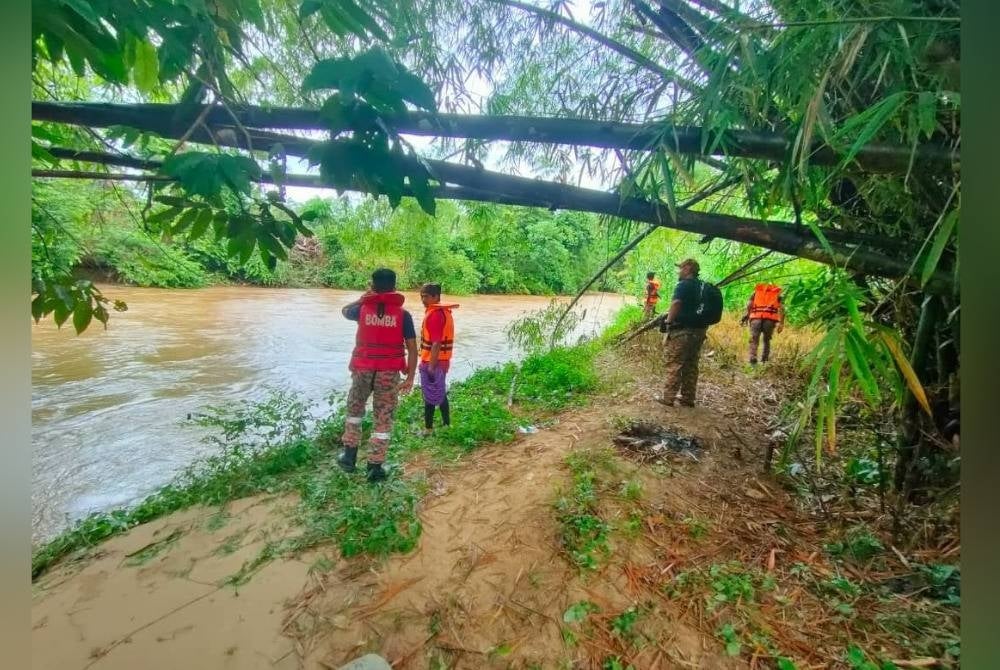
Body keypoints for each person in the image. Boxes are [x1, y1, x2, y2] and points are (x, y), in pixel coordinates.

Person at [337, 268, 418, 483]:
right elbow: (412, 347)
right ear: (394, 286)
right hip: (389, 373)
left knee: (355, 410)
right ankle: (374, 467)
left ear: (372, 286)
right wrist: (410, 377)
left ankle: (349, 458)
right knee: (383, 417)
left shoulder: (361, 309)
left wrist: (363, 297)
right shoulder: (404, 315)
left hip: (363, 369)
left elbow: (344, 311)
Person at [658, 258, 709, 407]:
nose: (679, 271)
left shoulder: (683, 285)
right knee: (691, 364)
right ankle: (688, 398)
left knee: (674, 363)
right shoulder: (703, 286)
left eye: (681, 268)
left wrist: (668, 322)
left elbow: (676, 303)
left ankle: (668, 398)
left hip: (682, 331)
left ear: (688, 269)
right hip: (699, 331)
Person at [418, 283, 459, 436]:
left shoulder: (434, 314)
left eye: (426, 296)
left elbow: (436, 343)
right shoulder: (443, 312)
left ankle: (428, 429)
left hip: (433, 361)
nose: (423, 299)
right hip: (442, 360)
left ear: (436, 297)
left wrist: (431, 366)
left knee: (430, 394)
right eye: (421, 296)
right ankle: (447, 424)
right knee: (439, 393)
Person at [740, 283, 785, 365]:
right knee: (766, 340)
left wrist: (747, 315)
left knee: (754, 339)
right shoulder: (777, 295)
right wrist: (781, 323)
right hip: (769, 320)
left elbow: (749, 305)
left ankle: (753, 357)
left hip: (756, 319)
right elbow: (782, 309)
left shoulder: (756, 293)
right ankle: (764, 359)